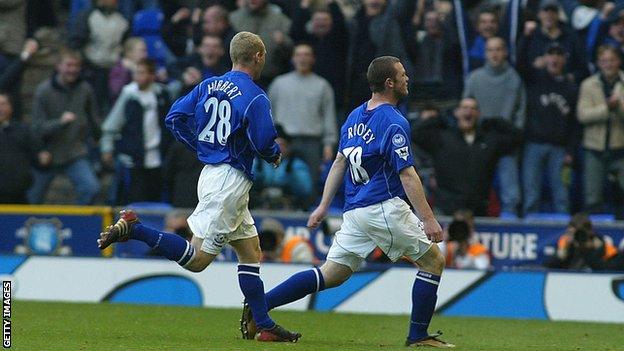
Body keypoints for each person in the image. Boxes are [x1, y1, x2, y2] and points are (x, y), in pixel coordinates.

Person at [97, 31, 301, 343]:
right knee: (198, 260)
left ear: (233, 56)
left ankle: (263, 323)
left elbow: (174, 117)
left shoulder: (208, 85)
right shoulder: (256, 95)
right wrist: (274, 155)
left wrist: (201, 145)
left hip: (213, 174)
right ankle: (136, 228)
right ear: (258, 57)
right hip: (229, 181)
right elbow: (264, 142)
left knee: (251, 251)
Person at [240, 56, 455, 348]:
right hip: (383, 206)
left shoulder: (355, 116)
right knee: (433, 261)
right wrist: (428, 218)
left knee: (332, 273)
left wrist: (323, 205)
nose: (407, 79)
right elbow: (407, 175)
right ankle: (418, 335)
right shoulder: (394, 121)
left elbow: (340, 162)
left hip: (354, 211)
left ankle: (260, 306)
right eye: (403, 75)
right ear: (390, 82)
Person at [413, 97, 522, 216]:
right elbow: (416, 133)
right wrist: (441, 118)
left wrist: (494, 121)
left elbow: (518, 137)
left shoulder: (489, 140)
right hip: (446, 209)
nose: (469, 111)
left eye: (473, 108)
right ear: (457, 112)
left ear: (478, 114)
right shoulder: (442, 137)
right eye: (464, 108)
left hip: (477, 212)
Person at [28, 48, 101, 205]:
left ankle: (77, 225)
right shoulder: (44, 91)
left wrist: (98, 139)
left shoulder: (85, 89)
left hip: (75, 152)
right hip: (47, 153)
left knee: (91, 188)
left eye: (76, 66)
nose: (73, 69)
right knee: (31, 197)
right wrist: (59, 123)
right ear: (58, 66)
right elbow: (36, 128)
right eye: (69, 65)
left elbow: (94, 119)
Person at [463, 37, 525, 217]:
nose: (495, 54)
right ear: (485, 53)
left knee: (510, 192)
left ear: (505, 52)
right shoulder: (475, 78)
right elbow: (466, 107)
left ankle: (510, 223)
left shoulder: (514, 78)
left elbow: (521, 112)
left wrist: (515, 137)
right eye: (490, 50)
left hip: (506, 143)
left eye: (498, 49)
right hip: (481, 141)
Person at [100, 58, 172, 204]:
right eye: (136, 73)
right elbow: (113, 123)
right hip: (134, 157)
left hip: (157, 156)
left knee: (155, 198)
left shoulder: (161, 95)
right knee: (135, 199)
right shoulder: (129, 95)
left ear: (152, 76)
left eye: (142, 73)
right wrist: (107, 147)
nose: (138, 77)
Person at [268, 43, 337, 189]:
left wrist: (328, 144)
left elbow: (328, 116)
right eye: (299, 55)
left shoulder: (322, 85)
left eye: (307, 55)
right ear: (293, 59)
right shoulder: (279, 84)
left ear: (313, 59)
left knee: (310, 185)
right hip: (283, 141)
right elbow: (269, 113)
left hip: (312, 141)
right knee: (278, 182)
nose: (302, 59)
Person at [522, 44, 578, 215]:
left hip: (560, 148)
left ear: (564, 59)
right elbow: (518, 64)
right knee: (531, 193)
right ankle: (529, 231)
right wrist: (527, 38)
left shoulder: (571, 88)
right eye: (550, 54)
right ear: (544, 58)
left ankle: (564, 235)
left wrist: (571, 150)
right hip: (534, 144)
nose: (554, 58)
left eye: (558, 54)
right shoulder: (534, 80)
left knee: (561, 194)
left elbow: (575, 123)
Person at [577, 45, 624, 214]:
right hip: (594, 148)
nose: (608, 64)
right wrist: (606, 108)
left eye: (612, 60)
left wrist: (618, 107)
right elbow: (582, 115)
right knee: (593, 197)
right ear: (598, 63)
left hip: (620, 148)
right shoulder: (589, 85)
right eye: (604, 61)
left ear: (619, 61)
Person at [251, 125, 313, 210]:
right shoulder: (257, 163)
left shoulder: (296, 164)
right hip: (260, 207)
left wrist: (293, 175)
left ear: (288, 147)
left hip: (290, 208)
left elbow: (306, 190)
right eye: (274, 144)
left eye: (282, 145)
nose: (278, 149)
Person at [0, 93, 46, 204]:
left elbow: (38, 159)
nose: (0, 108)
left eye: (3, 104)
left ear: (11, 108)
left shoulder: (23, 130)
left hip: (18, 196)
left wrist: (44, 159)